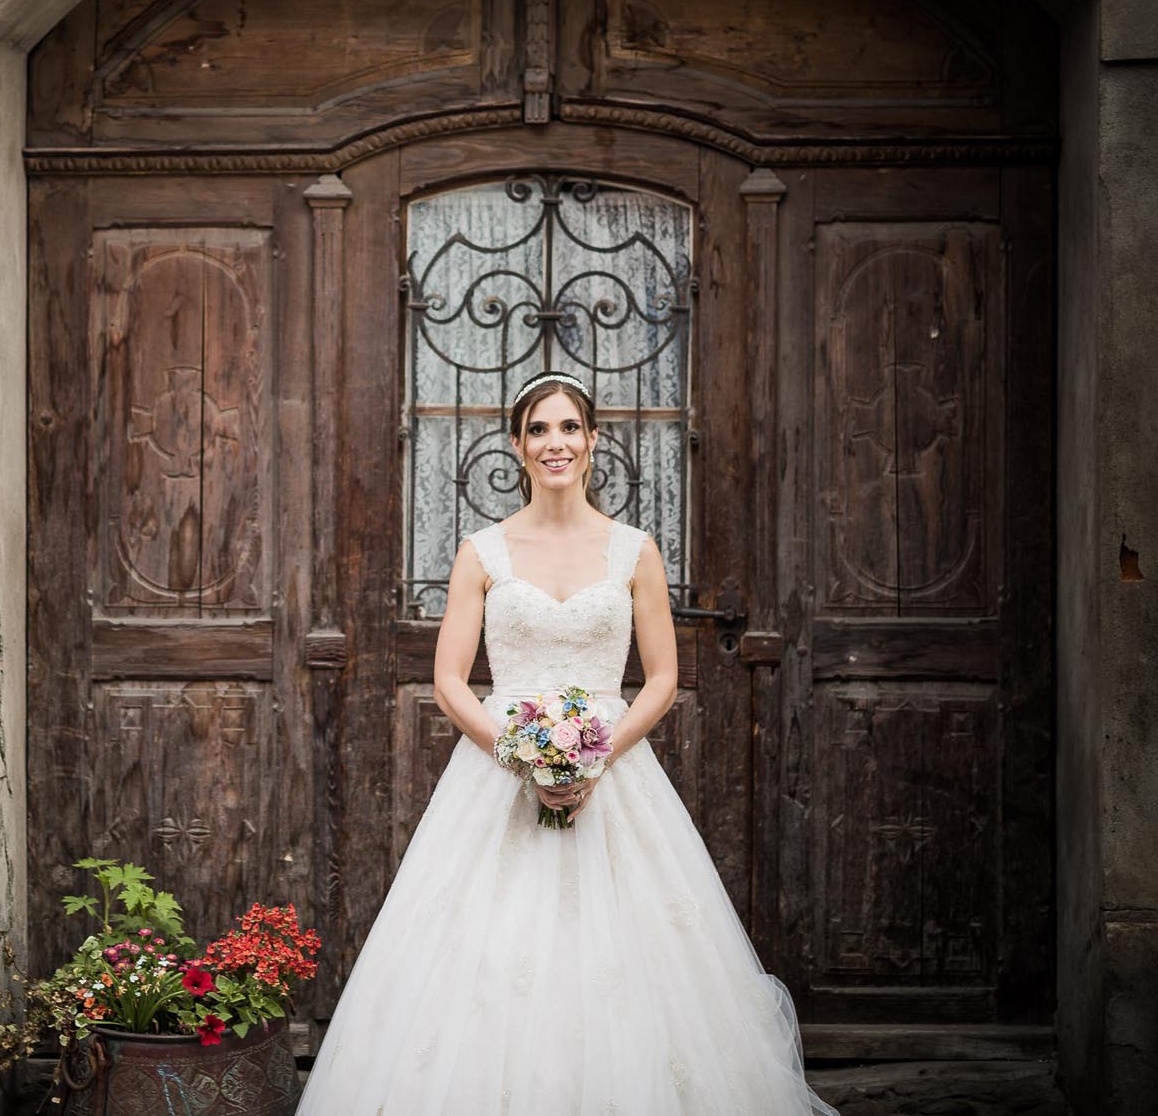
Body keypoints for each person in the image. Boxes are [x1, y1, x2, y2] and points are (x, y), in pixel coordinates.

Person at [294, 370, 836, 1115]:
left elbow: (662, 679)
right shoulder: (482, 552)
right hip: (496, 774)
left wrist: (592, 756)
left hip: (612, 775)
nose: (556, 442)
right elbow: (451, 681)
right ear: (518, 446)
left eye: (570, 428)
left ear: (592, 442)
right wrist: (521, 756)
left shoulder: (634, 551)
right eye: (540, 429)